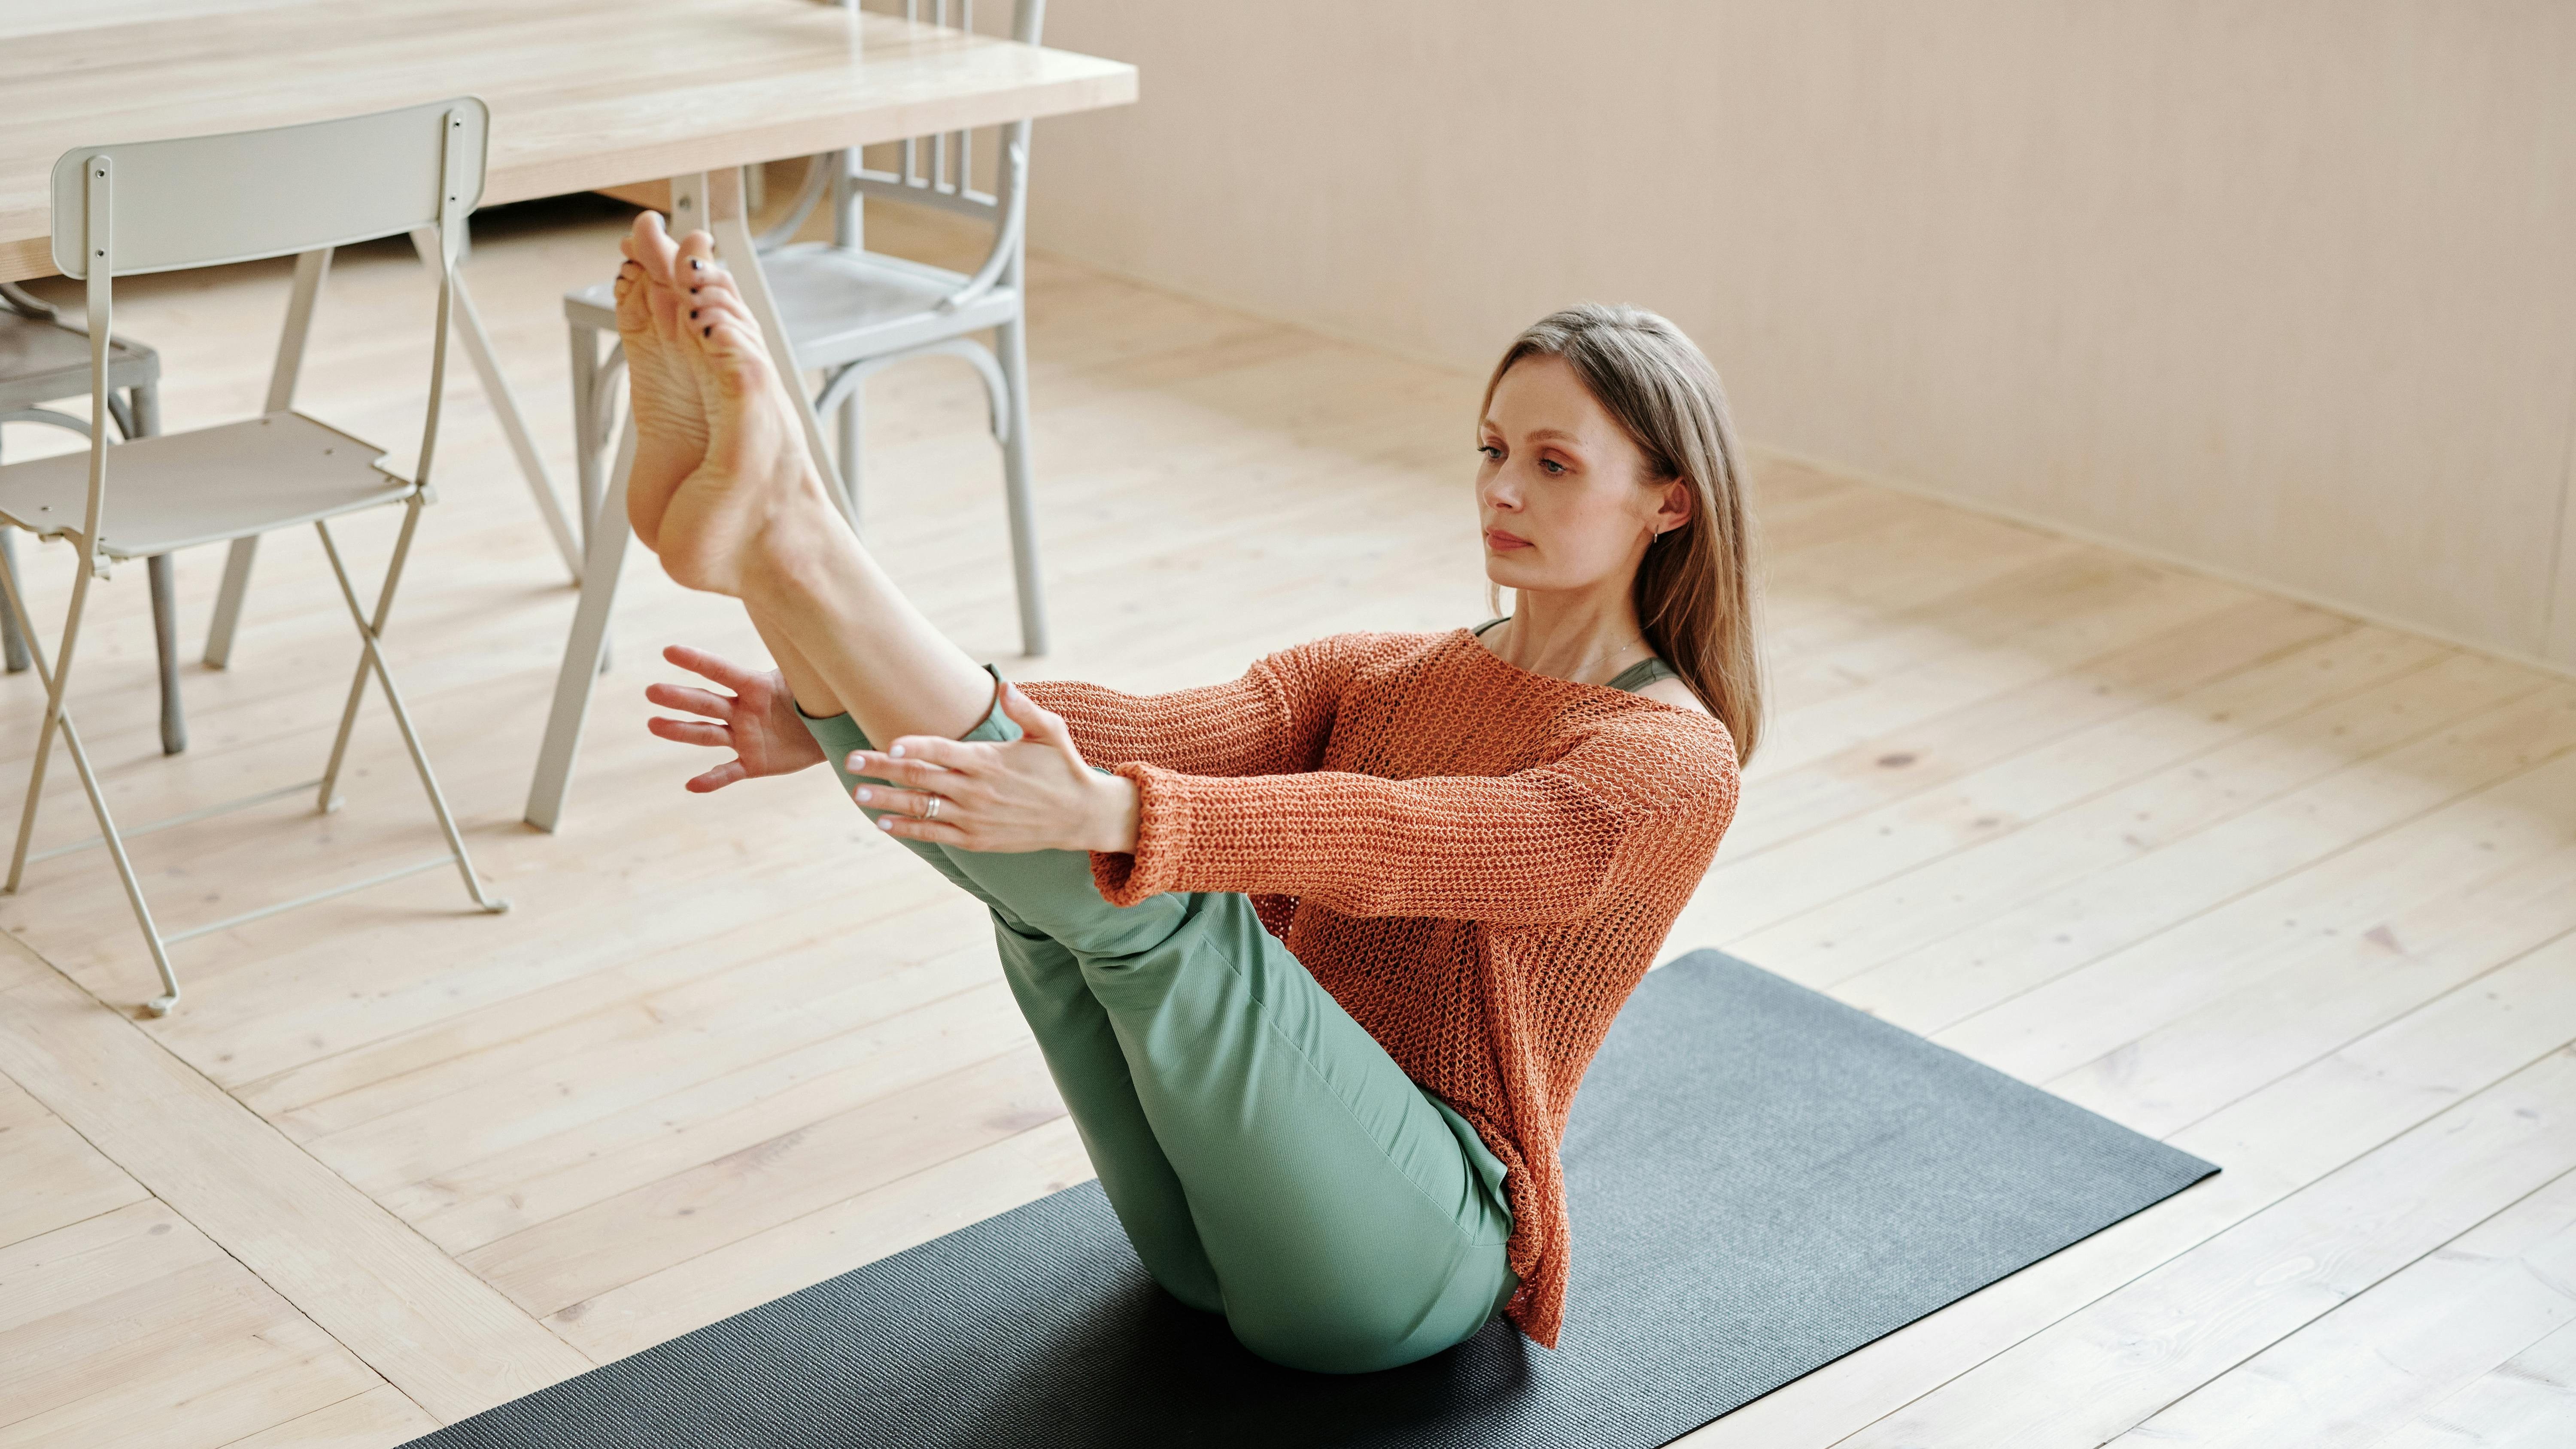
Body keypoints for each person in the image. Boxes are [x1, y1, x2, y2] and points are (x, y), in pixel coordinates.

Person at [618, 211, 1758, 1372]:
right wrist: (830, 720)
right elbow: (1142, 733)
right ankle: (771, 557)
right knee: (1046, 888)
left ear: (1670, 503)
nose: (1501, 489)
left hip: (1413, 1256)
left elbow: (1412, 840)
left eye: (1553, 464)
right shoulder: (1382, 672)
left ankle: (796, 532)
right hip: (1210, 1221)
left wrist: (1124, 816)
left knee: (1159, 890)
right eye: (1492, 449)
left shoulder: (1670, 761)